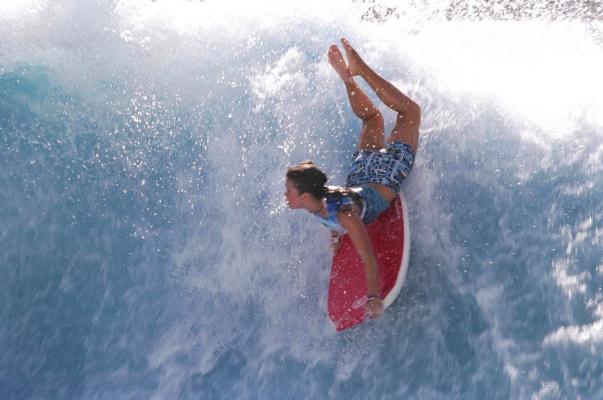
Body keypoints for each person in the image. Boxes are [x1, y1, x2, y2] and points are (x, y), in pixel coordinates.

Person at [284, 38, 421, 319]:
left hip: (384, 176)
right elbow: (326, 212)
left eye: (290, 192)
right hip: (360, 174)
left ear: (306, 196)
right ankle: (347, 78)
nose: (286, 196)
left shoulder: (346, 214)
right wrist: (334, 236)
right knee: (372, 120)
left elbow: (367, 253)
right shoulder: (315, 202)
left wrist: (373, 296)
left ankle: (359, 70)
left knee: (410, 113)